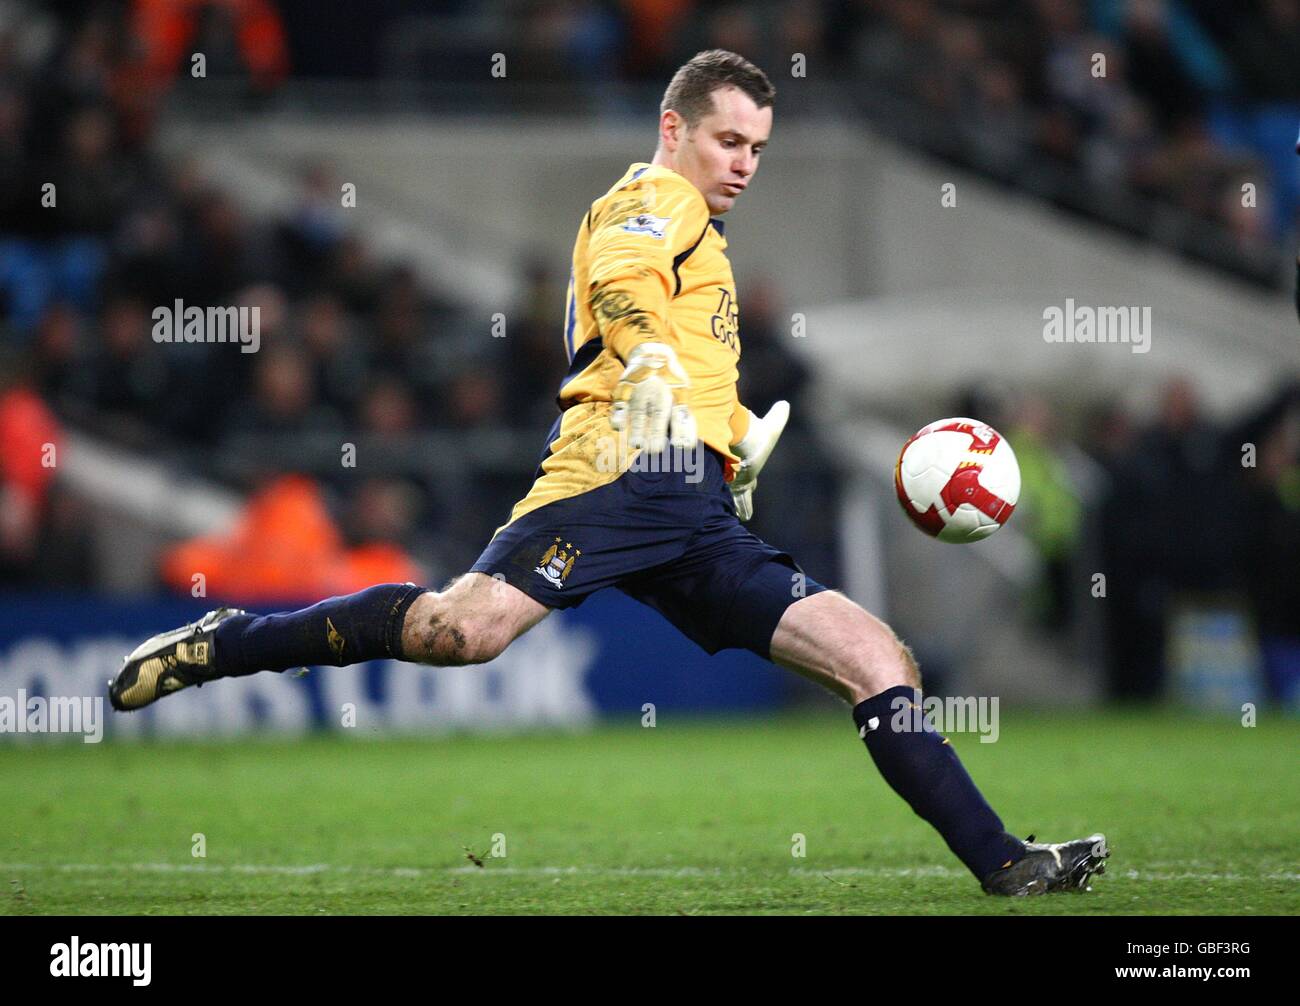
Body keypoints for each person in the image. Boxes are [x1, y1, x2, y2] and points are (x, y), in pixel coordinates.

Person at [109, 50, 1107, 896]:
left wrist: (732, 439)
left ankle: (1002, 862)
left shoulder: (701, 236)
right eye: (730, 141)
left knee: (873, 655)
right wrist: (654, 362)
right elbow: (625, 290)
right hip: (614, 477)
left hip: (696, 509)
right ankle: (230, 641)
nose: (746, 164)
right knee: (463, 632)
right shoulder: (650, 198)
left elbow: (674, 350)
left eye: (759, 147)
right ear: (674, 127)